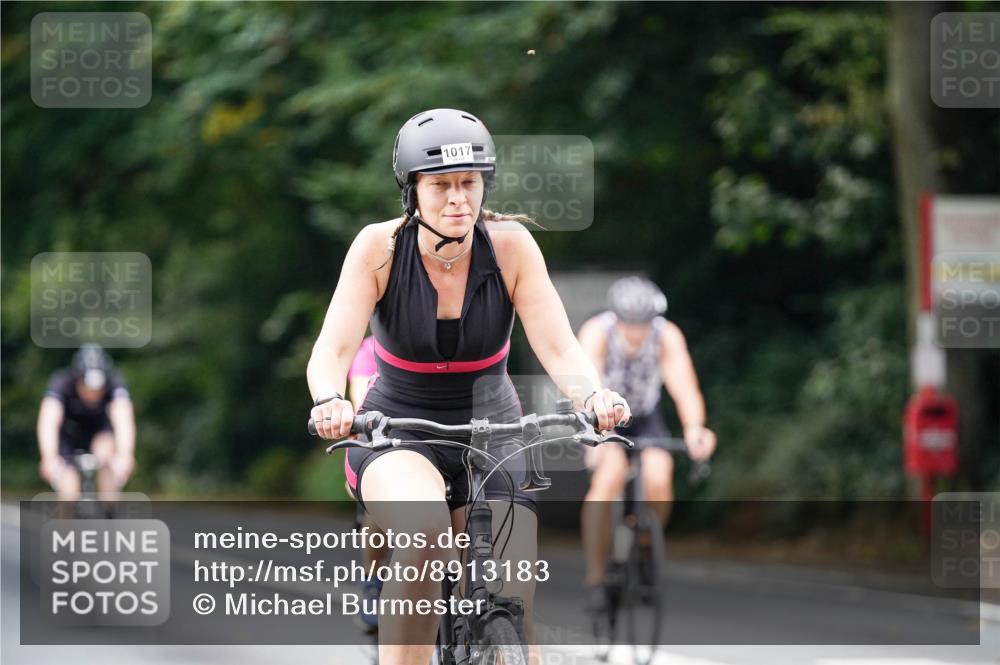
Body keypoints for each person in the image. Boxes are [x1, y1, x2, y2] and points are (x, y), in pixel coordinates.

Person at [307, 108, 631, 665]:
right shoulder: (379, 248)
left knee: (515, 600)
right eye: (441, 185)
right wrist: (331, 400)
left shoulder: (511, 248)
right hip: (397, 431)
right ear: (411, 191)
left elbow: (558, 346)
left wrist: (593, 396)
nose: (458, 198)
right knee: (426, 535)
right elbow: (332, 350)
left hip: (495, 431)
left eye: (469, 183)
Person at [578, 276, 717, 606]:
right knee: (607, 479)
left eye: (643, 324)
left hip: (645, 416)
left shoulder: (666, 335)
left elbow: (684, 386)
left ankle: (643, 546)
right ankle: (596, 577)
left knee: (658, 477)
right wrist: (595, 437)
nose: (636, 331)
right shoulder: (597, 332)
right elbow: (584, 383)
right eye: (629, 323)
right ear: (616, 317)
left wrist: (695, 428)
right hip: (604, 416)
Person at [37, 343, 136, 501]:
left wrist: (125, 453)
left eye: (98, 388)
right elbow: (48, 421)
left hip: (101, 433)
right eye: (88, 387)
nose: (93, 393)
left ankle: (110, 511)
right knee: (68, 488)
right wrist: (49, 455)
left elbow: (123, 419)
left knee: (108, 465)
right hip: (68, 436)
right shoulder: (62, 382)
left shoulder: (115, 382)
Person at [345, 335, 389, 636]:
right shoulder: (368, 351)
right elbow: (362, 402)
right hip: (386, 441)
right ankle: (373, 582)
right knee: (376, 503)